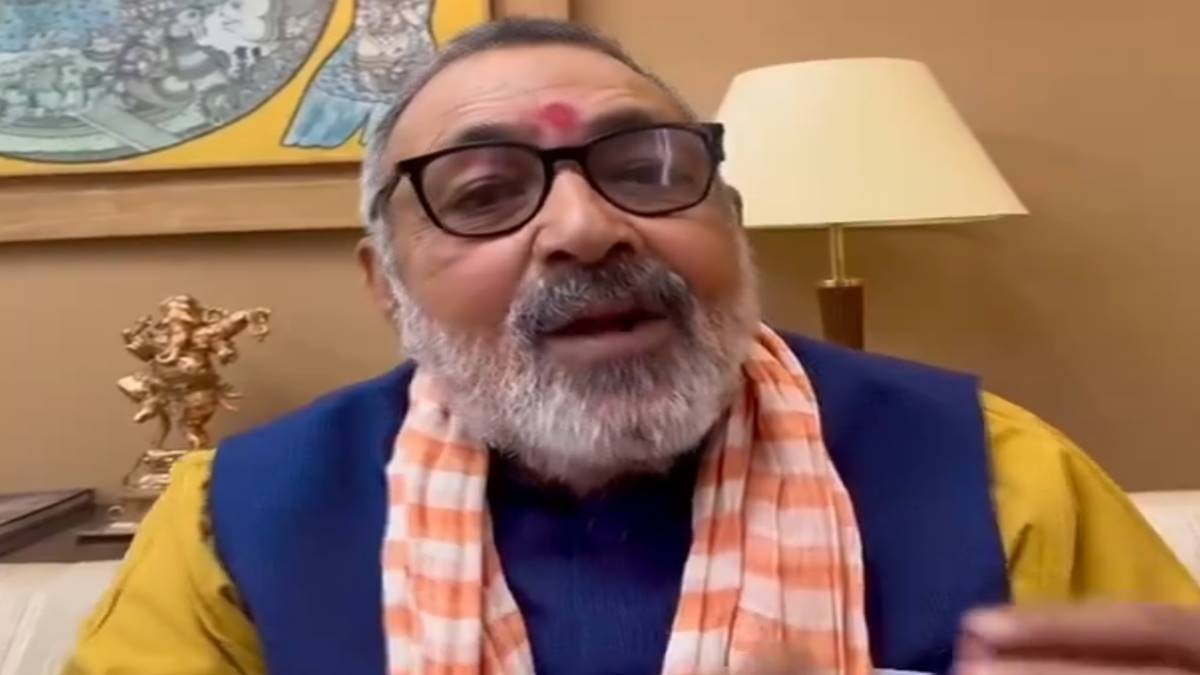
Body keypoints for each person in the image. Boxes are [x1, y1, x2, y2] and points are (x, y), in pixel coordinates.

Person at [66, 18, 1199, 675]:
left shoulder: (995, 472)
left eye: (646, 169)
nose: (585, 227)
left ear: (731, 223)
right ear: (386, 285)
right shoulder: (239, 520)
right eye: (484, 192)